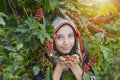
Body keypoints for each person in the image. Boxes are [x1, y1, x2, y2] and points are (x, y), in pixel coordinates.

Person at [35, 14, 96, 80]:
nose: (66, 43)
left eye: (70, 36)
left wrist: (74, 66)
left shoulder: (83, 55)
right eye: (59, 37)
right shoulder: (43, 61)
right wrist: (59, 67)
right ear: (52, 40)